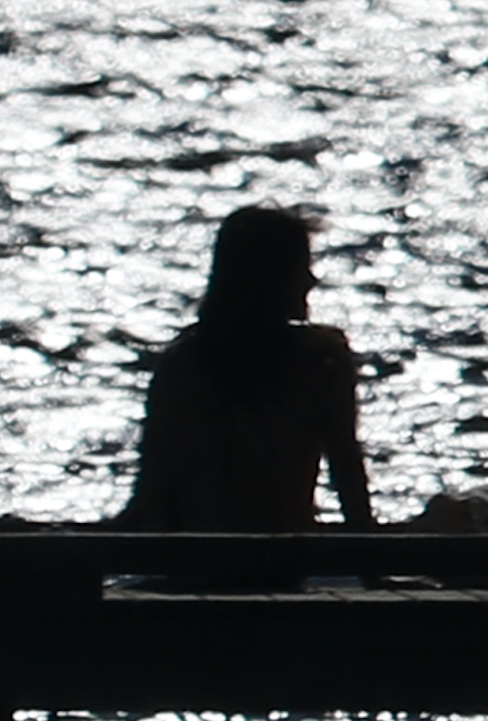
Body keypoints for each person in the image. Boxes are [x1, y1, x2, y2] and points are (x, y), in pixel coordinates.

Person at [127, 200, 377, 529]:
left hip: (192, 565)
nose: (311, 280)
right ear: (272, 278)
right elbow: (347, 476)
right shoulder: (323, 362)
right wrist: (374, 573)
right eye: (300, 265)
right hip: (281, 566)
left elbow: (151, 489)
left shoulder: (182, 363)